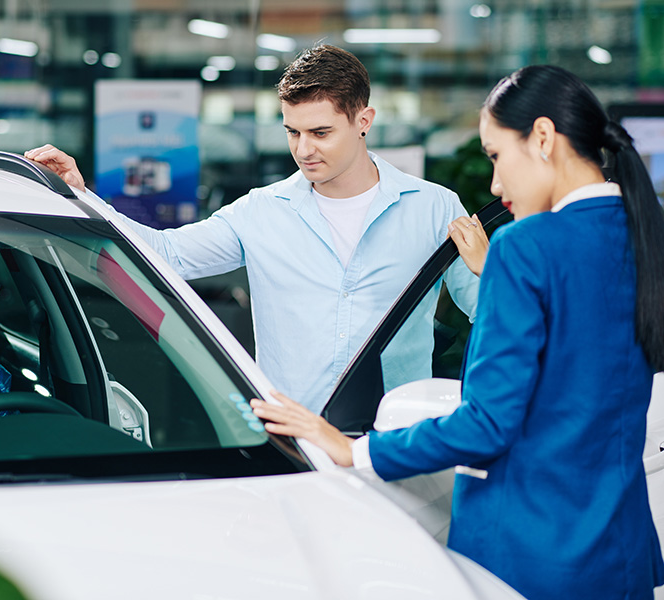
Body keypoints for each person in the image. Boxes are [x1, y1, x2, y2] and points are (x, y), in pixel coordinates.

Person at [251, 64, 664, 599]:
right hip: (622, 552)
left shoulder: (526, 249)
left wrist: (356, 452)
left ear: (542, 138)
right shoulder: (643, 238)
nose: (494, 184)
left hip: (522, 558)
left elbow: (488, 425)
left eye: (496, 156)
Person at [26, 44, 480, 414]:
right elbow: (168, 255)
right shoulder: (263, 210)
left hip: (397, 440)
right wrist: (80, 196)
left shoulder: (432, 207)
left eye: (320, 133)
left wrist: (496, 269)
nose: (303, 150)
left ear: (363, 121)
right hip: (293, 443)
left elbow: (489, 312)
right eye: (292, 132)